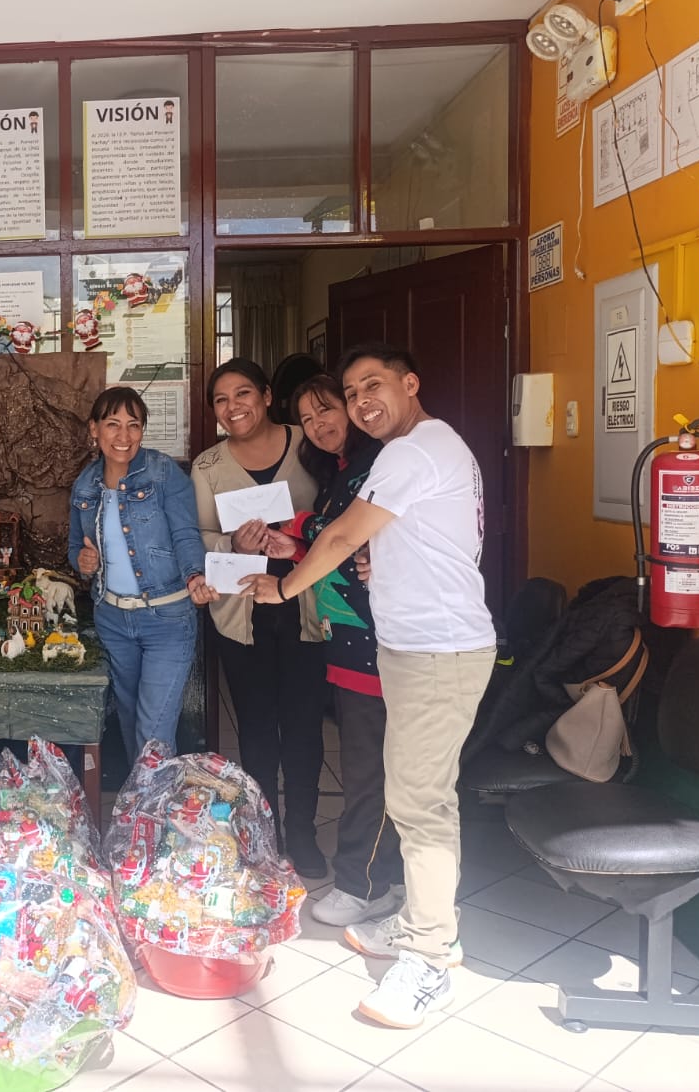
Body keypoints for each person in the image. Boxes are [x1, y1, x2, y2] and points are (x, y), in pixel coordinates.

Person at [245, 343, 495, 1030]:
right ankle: (418, 920)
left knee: (421, 803)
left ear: (411, 384)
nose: (361, 403)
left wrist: (282, 589)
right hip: (414, 646)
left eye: (372, 386)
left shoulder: (414, 451)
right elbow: (376, 542)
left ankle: (430, 957)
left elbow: (340, 536)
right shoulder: (420, 451)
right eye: (352, 392)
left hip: (439, 650)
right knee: (411, 793)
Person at [259, 373, 402, 925]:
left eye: (326, 410)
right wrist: (297, 547)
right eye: (307, 419)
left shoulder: (377, 465)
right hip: (347, 638)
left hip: (372, 640)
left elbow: (343, 534)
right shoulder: (344, 470)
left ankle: (362, 885)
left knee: (369, 769)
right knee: (370, 763)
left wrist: (300, 526)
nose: (318, 425)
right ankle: (382, 879)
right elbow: (339, 548)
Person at [190, 358, 328, 877]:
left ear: (268, 396)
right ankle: (264, 832)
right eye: (221, 400)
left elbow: (341, 517)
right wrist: (233, 544)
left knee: (304, 725)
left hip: (306, 607)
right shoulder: (208, 466)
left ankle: (304, 833)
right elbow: (200, 535)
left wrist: (300, 534)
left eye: (243, 394)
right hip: (242, 614)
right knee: (255, 728)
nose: (233, 407)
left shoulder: (309, 443)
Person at [69, 386, 216, 763]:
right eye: (113, 424)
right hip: (112, 618)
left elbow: (185, 533)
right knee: (131, 718)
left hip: (166, 617)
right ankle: (146, 797)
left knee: (154, 733)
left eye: (133, 425)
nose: (124, 435)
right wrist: (83, 561)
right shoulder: (85, 484)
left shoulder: (163, 472)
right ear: (94, 429)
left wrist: (195, 575)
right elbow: (74, 548)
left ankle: (152, 799)